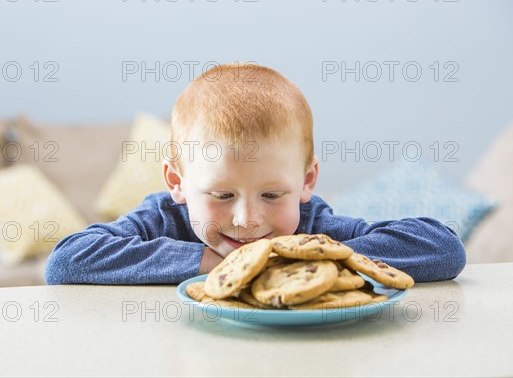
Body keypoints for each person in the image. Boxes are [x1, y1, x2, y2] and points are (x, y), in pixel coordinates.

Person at [45, 63, 466, 285]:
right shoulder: (161, 220)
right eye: (222, 195)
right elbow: (66, 261)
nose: (247, 220)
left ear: (306, 181)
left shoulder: (312, 229)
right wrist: (214, 263)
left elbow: (444, 249)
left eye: (271, 196)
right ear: (177, 183)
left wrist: (288, 260)